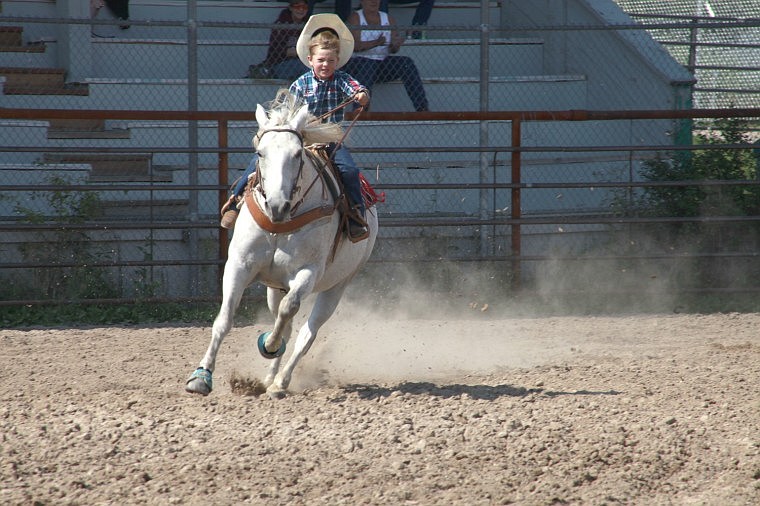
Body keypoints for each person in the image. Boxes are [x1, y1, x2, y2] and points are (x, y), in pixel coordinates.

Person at [221, 14, 371, 240]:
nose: (325, 65)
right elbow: (287, 111)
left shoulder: (342, 80)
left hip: (330, 140)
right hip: (300, 138)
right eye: (321, 60)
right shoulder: (299, 84)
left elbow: (358, 90)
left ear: (337, 61)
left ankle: (355, 215)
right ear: (310, 59)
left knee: (349, 170)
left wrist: (361, 95)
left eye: (330, 61)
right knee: (258, 160)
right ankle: (235, 200)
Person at [345, 0, 429, 112]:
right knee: (368, 64)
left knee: (406, 63)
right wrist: (376, 42)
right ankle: (361, 109)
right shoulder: (355, 18)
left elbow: (393, 49)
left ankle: (422, 108)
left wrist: (395, 45)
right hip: (358, 65)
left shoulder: (388, 19)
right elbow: (355, 46)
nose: (374, 2)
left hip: (381, 65)